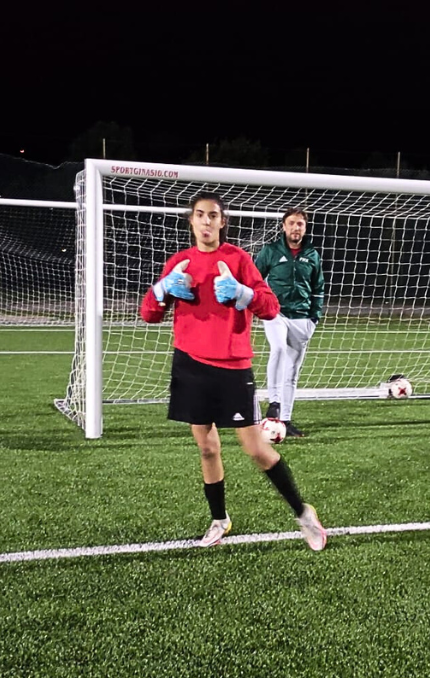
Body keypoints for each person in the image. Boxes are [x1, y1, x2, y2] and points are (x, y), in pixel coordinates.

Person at [139, 192, 327, 551]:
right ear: (191, 221)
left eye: (213, 216)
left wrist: (243, 294)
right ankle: (219, 519)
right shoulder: (179, 262)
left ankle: (303, 512)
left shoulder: (238, 259)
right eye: (200, 215)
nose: (207, 221)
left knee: (255, 448)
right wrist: (162, 289)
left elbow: (271, 308)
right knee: (207, 448)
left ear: (222, 222)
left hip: (231, 367)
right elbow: (149, 314)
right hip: (190, 364)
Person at [254, 207, 325, 438]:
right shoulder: (271, 251)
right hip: (276, 313)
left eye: (300, 224)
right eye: (292, 223)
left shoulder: (312, 254)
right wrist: (261, 303)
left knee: (292, 370)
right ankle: (273, 402)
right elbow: (254, 278)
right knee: (277, 348)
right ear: (284, 226)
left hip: (302, 317)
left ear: (305, 228)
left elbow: (318, 288)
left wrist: (315, 317)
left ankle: (285, 419)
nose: (296, 227)